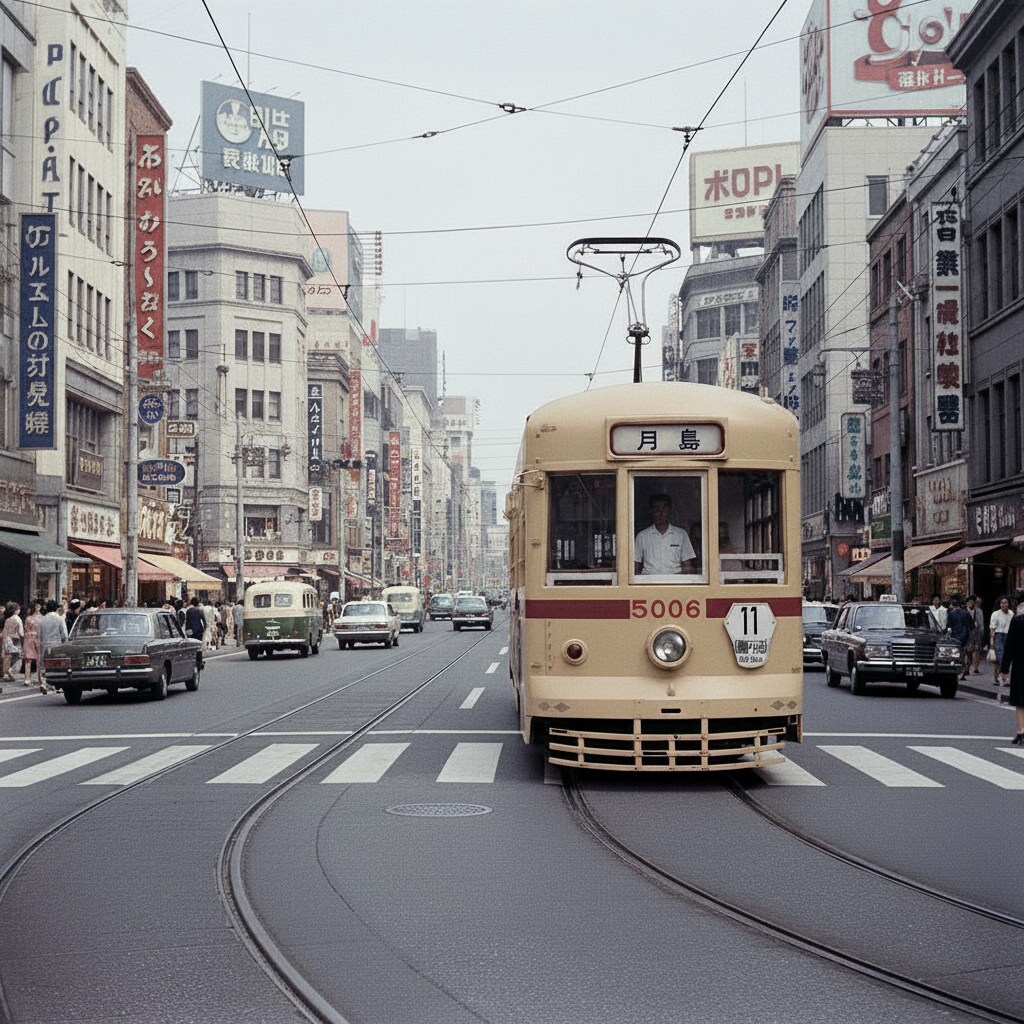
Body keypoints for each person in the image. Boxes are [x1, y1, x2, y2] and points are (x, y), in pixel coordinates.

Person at [633, 493, 696, 575]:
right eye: (657, 509)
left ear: (669, 510)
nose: (661, 513)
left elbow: (687, 565)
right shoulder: (642, 536)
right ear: (651, 511)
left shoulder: (681, 534)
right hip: (649, 582)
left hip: (675, 581)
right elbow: (636, 566)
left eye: (664, 509)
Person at [998, 588, 1024, 745]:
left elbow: (1009, 646)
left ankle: (1021, 731)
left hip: (1020, 665)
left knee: (1020, 700)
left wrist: (1004, 669)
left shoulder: (1016, 621)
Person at [38, 599, 68, 694]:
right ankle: (58, 685)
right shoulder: (59, 619)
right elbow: (64, 634)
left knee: (44, 665)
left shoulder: (42, 620)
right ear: (56, 608)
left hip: (45, 644)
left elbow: (40, 635)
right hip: (56, 645)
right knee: (58, 665)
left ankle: (44, 683)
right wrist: (65, 642)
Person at [946, 597, 974, 681]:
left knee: (954, 655)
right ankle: (963, 672)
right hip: (964, 637)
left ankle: (955, 672)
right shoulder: (966, 613)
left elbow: (948, 626)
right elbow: (972, 626)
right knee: (963, 655)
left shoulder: (951, 614)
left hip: (954, 637)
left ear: (952, 605)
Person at [990, 595, 1013, 686]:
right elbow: (992, 629)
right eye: (1002, 603)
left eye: (1005, 602)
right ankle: (1001, 677)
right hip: (998, 636)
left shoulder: (1011, 613)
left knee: (1007, 657)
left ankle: (1001, 677)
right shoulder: (995, 614)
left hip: (1008, 636)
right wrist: (992, 642)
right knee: (1000, 657)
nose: (1004, 604)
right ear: (999, 604)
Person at [22, 600, 43, 687]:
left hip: (32, 638)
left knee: (36, 660)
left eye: (39, 606)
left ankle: (34, 679)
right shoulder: (39, 618)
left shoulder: (30, 618)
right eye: (37, 606)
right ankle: (30, 679)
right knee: (30, 659)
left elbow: (25, 629)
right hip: (34, 638)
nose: (38, 608)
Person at [2, 602, 23, 682]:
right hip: (14, 640)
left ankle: (5, 674)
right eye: (18, 609)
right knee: (17, 655)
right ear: (16, 610)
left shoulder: (8, 619)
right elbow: (21, 633)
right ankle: (9, 669)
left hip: (6, 639)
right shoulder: (18, 619)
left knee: (7, 657)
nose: (19, 610)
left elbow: (4, 631)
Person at [967, 595, 985, 674]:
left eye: (972, 602)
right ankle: (967, 667)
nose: (971, 603)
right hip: (967, 633)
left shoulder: (979, 611)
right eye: (969, 602)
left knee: (976, 650)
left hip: (976, 632)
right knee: (967, 651)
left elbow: (981, 623)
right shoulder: (965, 611)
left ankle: (975, 667)